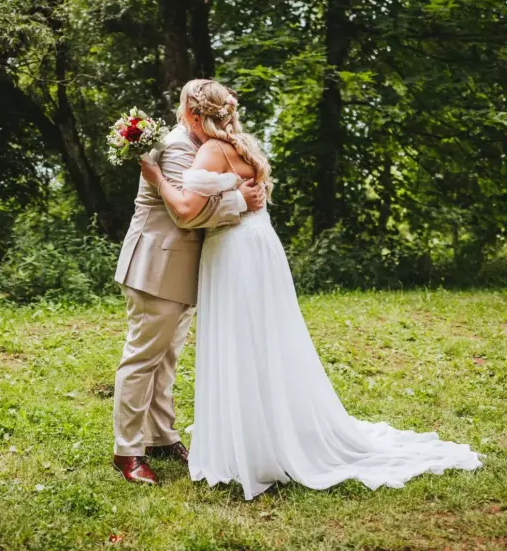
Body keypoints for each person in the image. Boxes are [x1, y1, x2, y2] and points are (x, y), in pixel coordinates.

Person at [139, 79, 483, 500]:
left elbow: (187, 208)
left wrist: (155, 175)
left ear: (196, 114)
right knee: (265, 340)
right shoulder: (245, 144)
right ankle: (268, 427)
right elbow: (243, 192)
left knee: (241, 341)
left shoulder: (210, 150)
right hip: (259, 246)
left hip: (234, 252)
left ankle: (254, 442)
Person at [111, 94, 266, 485]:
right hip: (156, 266)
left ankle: (162, 437)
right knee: (142, 359)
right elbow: (187, 213)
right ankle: (127, 450)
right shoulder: (179, 146)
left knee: (166, 361)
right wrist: (238, 201)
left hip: (179, 270)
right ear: (195, 115)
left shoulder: (205, 144)